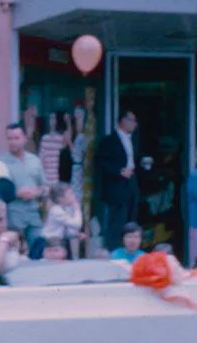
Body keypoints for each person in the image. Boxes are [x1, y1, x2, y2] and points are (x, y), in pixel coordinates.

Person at [0, 122, 48, 255]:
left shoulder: (35, 160)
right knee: (13, 254)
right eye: (9, 138)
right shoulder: (0, 162)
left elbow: (45, 186)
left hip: (33, 213)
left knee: (38, 249)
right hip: (12, 215)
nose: (13, 142)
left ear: (25, 138)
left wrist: (38, 192)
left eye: (16, 138)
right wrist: (17, 193)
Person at [94, 110, 139, 250]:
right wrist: (119, 171)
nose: (134, 124)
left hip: (131, 181)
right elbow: (100, 162)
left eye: (135, 121)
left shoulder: (134, 139)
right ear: (122, 121)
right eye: (131, 120)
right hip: (116, 184)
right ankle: (113, 249)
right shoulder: (109, 140)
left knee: (131, 216)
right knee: (117, 219)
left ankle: (129, 247)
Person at [40, 183, 84, 260]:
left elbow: (64, 229)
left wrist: (74, 234)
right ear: (60, 198)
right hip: (49, 244)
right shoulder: (56, 211)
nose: (73, 196)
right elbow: (77, 224)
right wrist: (77, 208)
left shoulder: (64, 209)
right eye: (70, 194)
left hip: (58, 242)